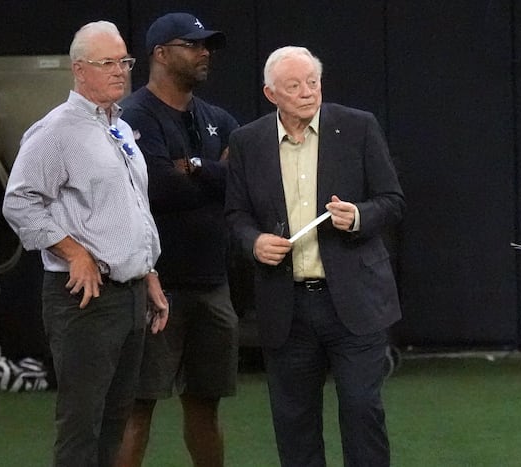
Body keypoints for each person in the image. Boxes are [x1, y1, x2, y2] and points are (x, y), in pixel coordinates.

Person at [225, 45, 404, 467]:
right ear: (271, 94)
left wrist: (358, 216)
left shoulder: (358, 127)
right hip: (286, 306)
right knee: (294, 424)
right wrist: (254, 242)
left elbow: (392, 201)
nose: (307, 92)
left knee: (362, 412)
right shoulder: (247, 142)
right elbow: (235, 215)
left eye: (313, 82)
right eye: (294, 86)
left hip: (355, 301)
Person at [1, 21, 169, 467]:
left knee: (115, 422)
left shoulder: (120, 127)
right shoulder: (56, 131)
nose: (120, 71)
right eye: (107, 63)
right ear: (79, 70)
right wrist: (74, 252)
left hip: (130, 294)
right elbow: (18, 201)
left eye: (124, 61)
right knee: (82, 427)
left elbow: (133, 208)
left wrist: (148, 271)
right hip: (84, 300)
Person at [113, 12, 239, 467]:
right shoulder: (133, 115)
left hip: (211, 281)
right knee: (136, 407)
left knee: (206, 404)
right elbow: (159, 188)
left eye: (207, 46)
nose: (204, 53)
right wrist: (211, 174)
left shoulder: (218, 118)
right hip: (152, 284)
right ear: (161, 54)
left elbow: (240, 183)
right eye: (193, 45)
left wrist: (195, 168)